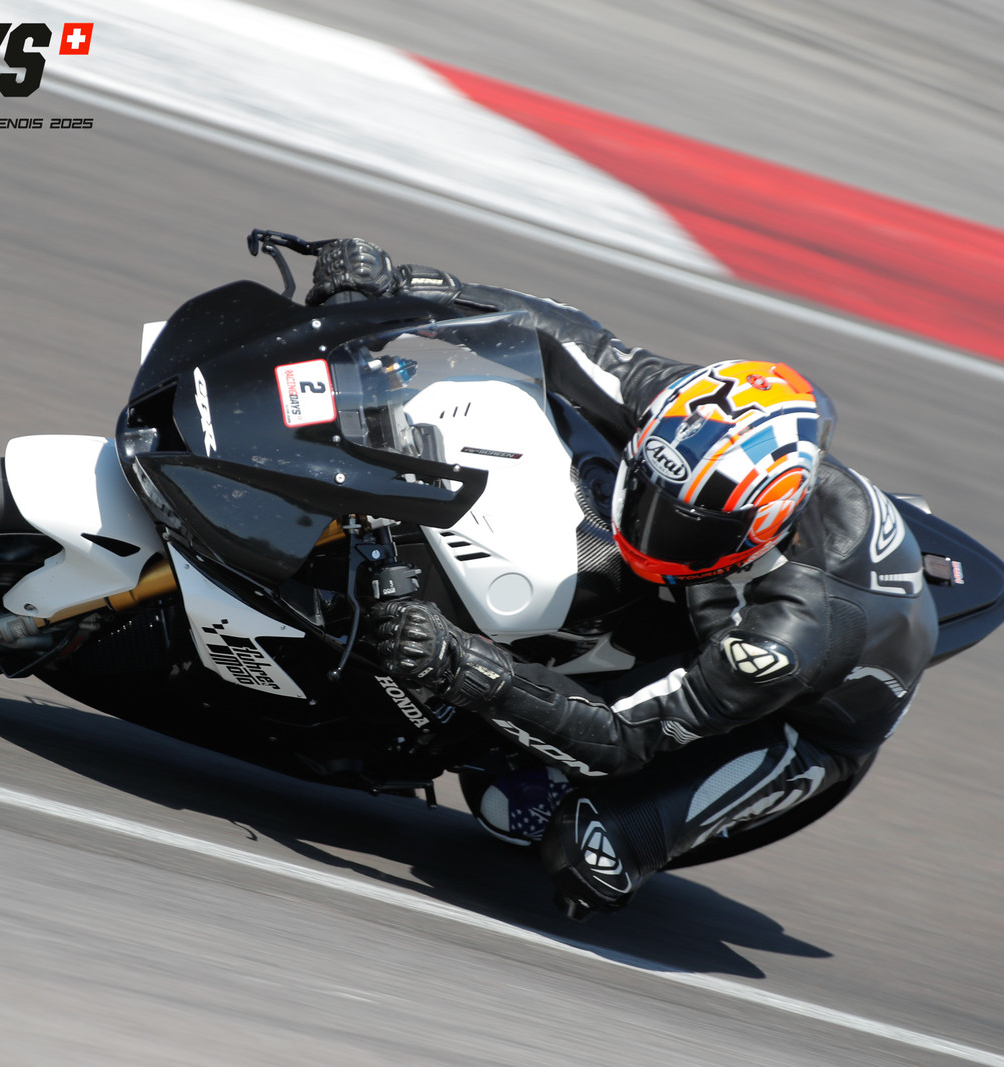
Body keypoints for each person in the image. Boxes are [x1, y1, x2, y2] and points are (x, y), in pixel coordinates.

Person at [308, 238, 939, 919]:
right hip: (720, 588)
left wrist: (462, 665)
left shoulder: (790, 634)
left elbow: (622, 735)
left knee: (584, 852)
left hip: (796, 717)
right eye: (648, 491)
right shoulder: (700, 416)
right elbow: (572, 343)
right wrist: (411, 285)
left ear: (756, 528)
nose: (649, 527)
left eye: (683, 526)